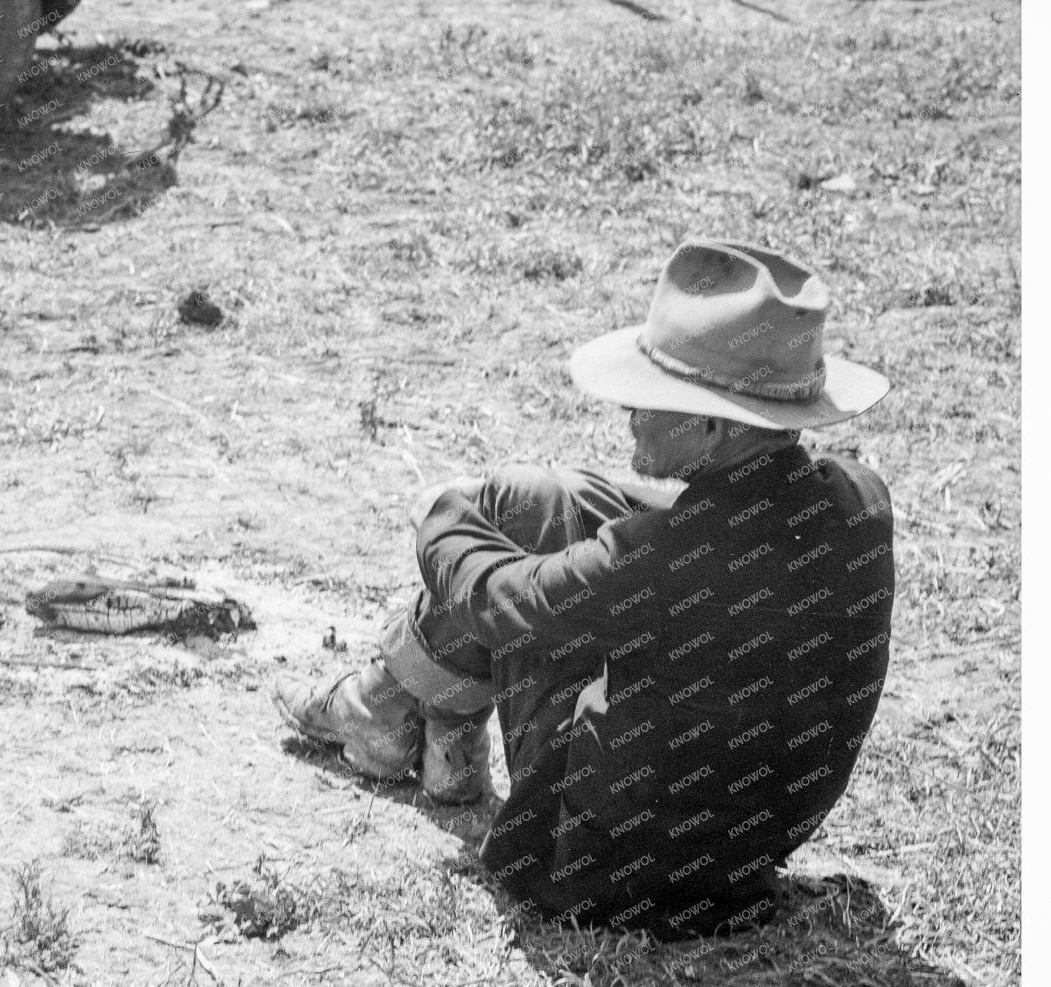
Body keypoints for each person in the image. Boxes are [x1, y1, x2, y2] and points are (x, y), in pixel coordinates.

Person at [275, 240, 895, 940]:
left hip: (599, 876)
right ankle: (407, 719)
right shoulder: (860, 501)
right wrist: (556, 500)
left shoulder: (659, 565)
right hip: (738, 864)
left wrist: (442, 515)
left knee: (502, 550)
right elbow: (703, 539)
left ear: (716, 425)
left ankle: (385, 709)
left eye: (653, 397)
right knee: (543, 500)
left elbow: (494, 599)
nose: (628, 411)